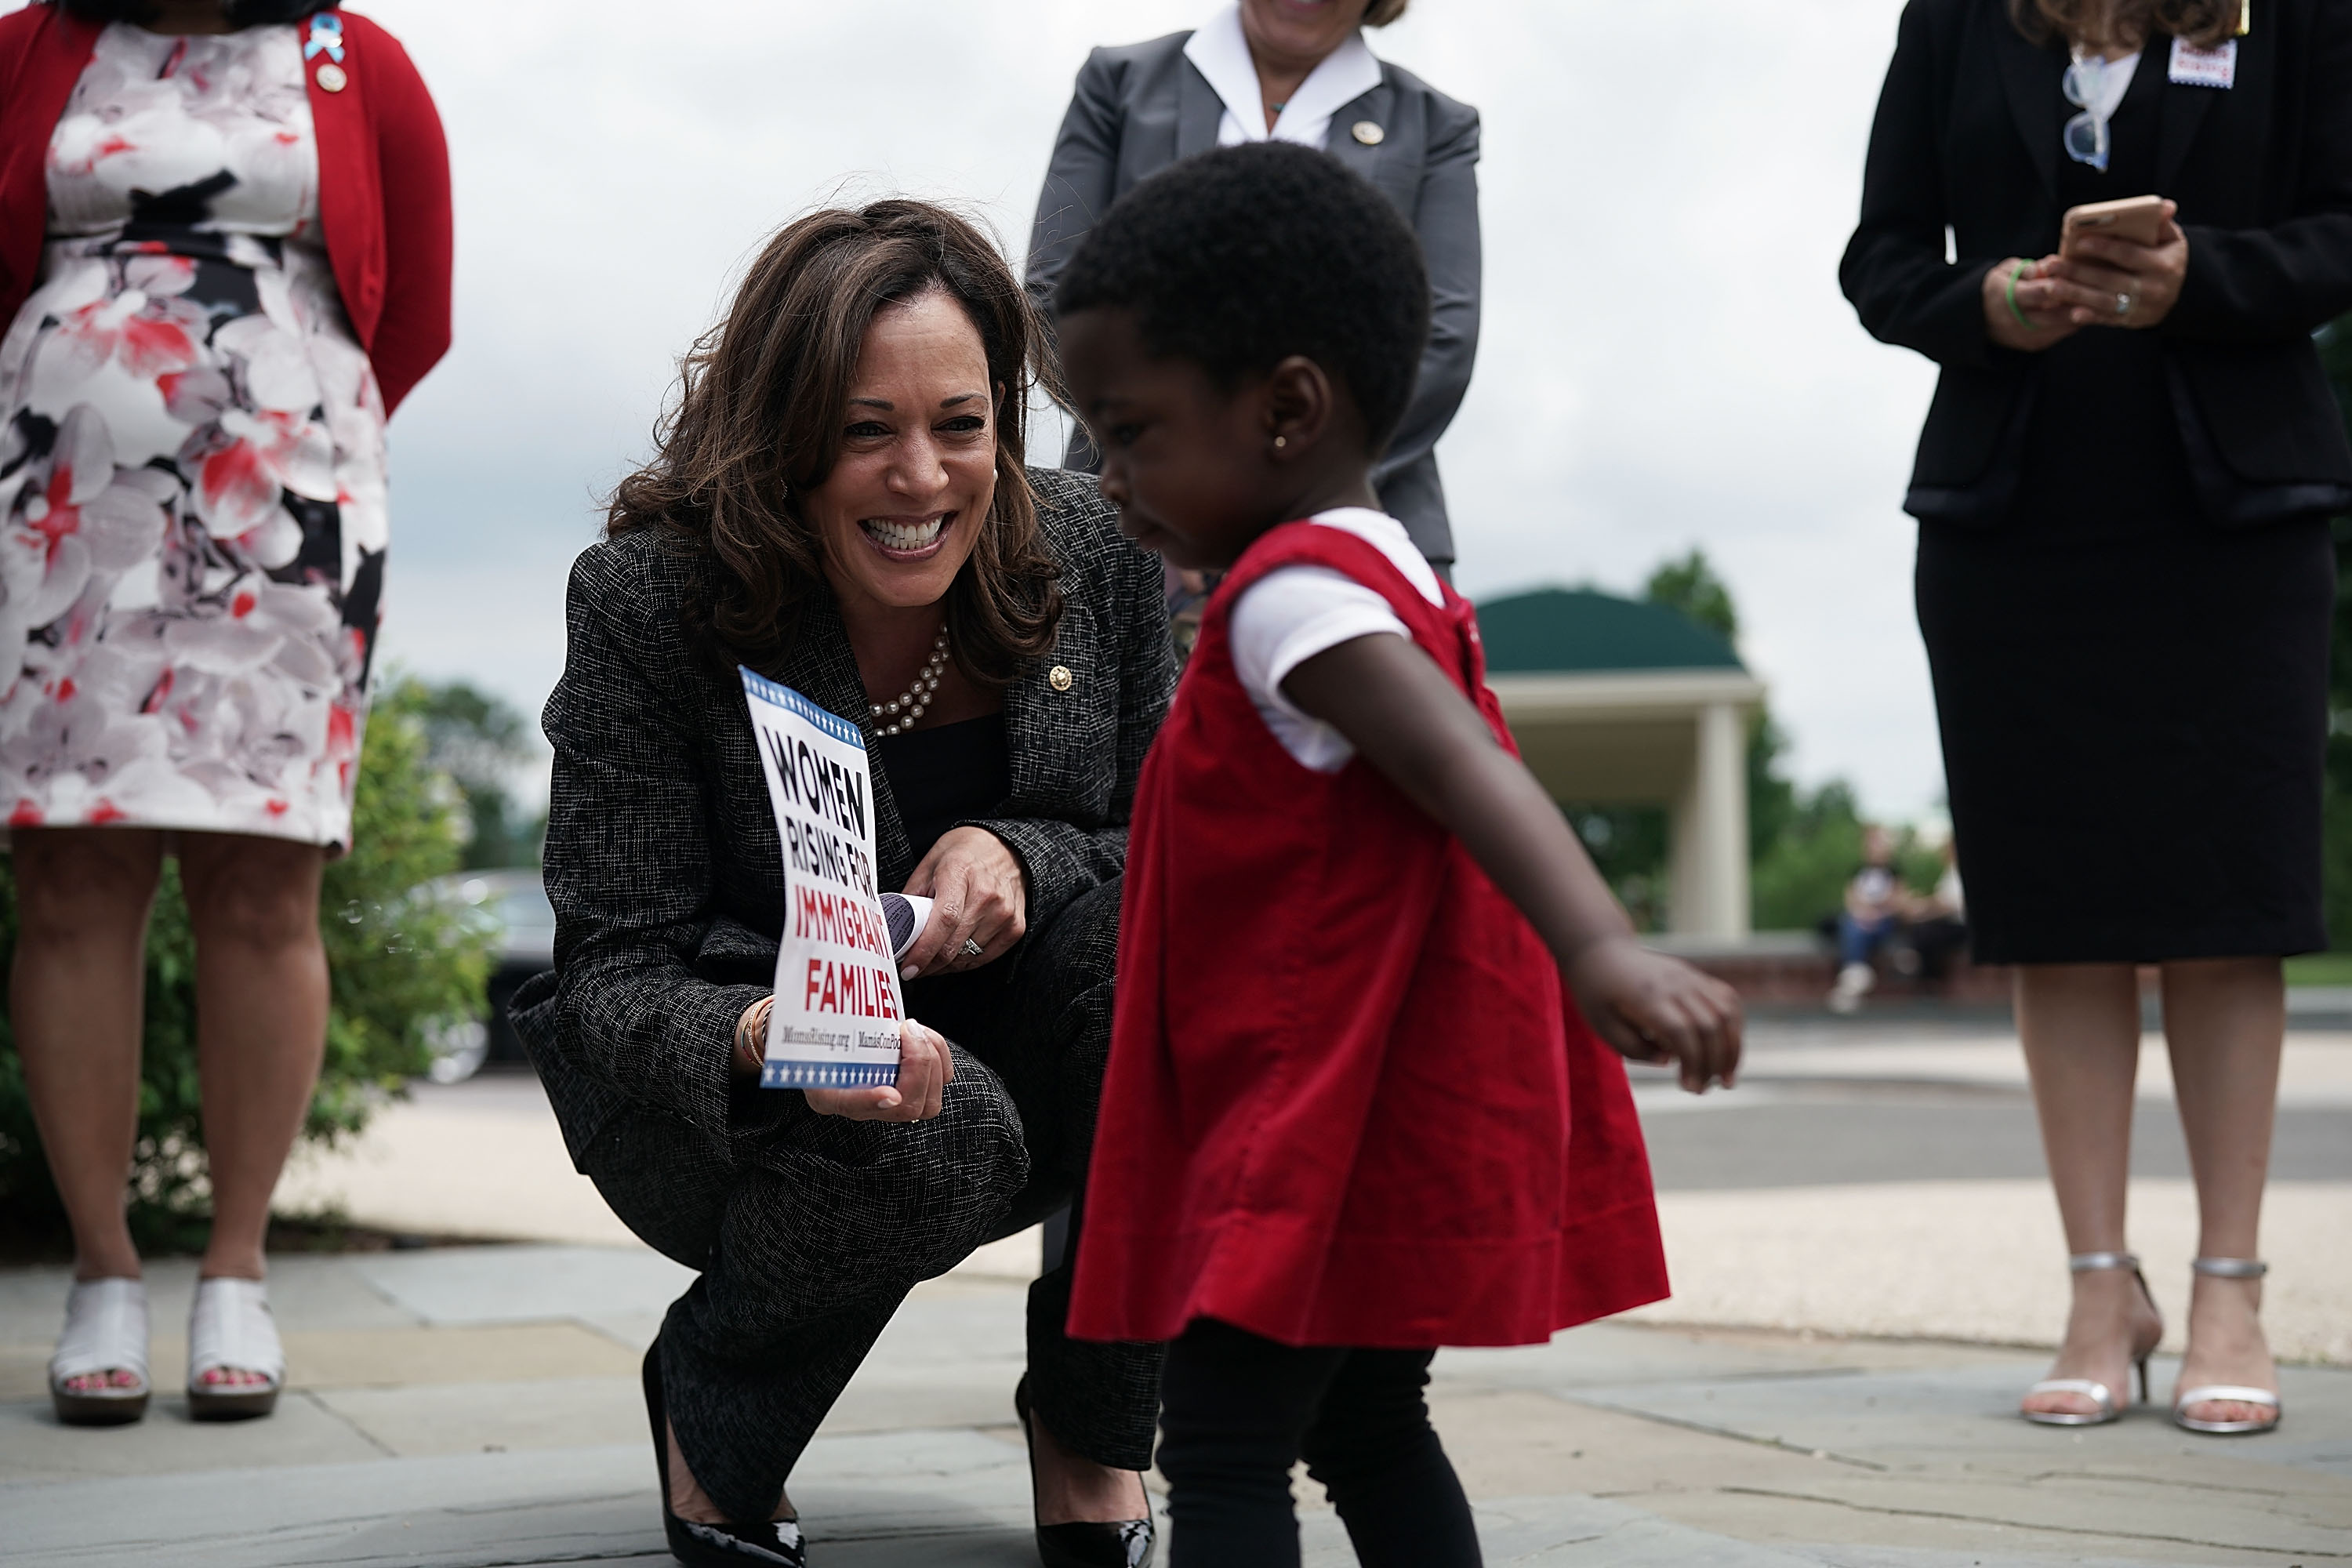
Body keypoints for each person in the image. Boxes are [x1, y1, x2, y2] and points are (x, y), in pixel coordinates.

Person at [1053, 142, 1744, 1568]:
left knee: (1227, 1444)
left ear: (1287, 408)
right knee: (1368, 1428)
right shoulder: (1397, 568)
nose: (1110, 477)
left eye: (1132, 432)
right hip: (1384, 1121)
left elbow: (1455, 764)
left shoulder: (1291, 601)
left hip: (1311, 1127)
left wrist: (1602, 946)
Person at [509, 201, 1177, 1568]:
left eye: (962, 423)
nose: (921, 477)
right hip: (729, 1094)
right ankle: (716, 1402)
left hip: (1028, 1054)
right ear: (782, 432)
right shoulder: (651, 603)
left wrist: (1023, 852)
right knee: (939, 1133)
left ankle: (1095, 1428)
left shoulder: (1096, 565)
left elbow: (1161, 852)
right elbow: (612, 973)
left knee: (1172, 961)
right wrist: (772, 1036)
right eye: (868, 429)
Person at [1841, 0, 2352, 1436]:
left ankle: (2230, 1291)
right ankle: (2096, 1285)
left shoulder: (2300, 14)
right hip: (2017, 512)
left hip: (2235, 514)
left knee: (2225, 902)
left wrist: (2204, 276)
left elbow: (2339, 230)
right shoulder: (1951, 19)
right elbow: (1881, 262)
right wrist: (1990, 305)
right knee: (2055, 904)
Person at [1, 0, 449, 1426]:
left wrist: (285, 419)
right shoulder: (25, 49)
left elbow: (419, 308)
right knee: (69, 877)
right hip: (52, 508)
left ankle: (238, 1269)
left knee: (266, 883)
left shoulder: (356, 61)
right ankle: (103, 1273)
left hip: (285, 511)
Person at [1026, 0, 1479, 575]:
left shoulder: (1436, 125)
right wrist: (1162, 472)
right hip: (1132, 526)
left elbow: (1443, 341)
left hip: (1360, 528)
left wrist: (1270, 493)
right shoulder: (1119, 84)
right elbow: (1051, 295)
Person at [1827, 826, 1906, 1013]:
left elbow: (1899, 901)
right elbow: (1850, 899)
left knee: (1856, 930)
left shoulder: (1894, 872)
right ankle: (1855, 975)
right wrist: (1864, 912)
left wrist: (1876, 911)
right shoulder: (1858, 872)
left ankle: (1853, 976)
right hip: (1860, 919)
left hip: (1885, 922)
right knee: (1852, 927)